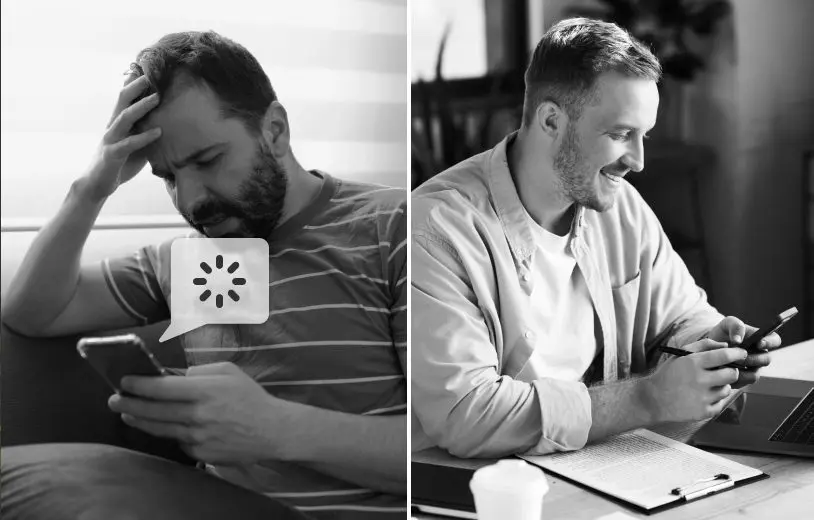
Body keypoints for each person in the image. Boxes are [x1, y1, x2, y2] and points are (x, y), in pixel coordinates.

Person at [1, 31, 407, 519]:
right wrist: (91, 188)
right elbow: (33, 312)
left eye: (207, 160)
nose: (191, 201)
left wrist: (277, 429)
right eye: (169, 178)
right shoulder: (189, 260)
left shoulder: (398, 227)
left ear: (275, 130)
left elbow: (447, 453)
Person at [410, 18, 781, 459]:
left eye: (643, 135)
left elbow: (682, 317)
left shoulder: (619, 206)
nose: (638, 161)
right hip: (494, 481)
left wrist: (713, 347)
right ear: (551, 120)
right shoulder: (436, 230)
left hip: (606, 460)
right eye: (621, 134)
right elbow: (469, 414)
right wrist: (647, 398)